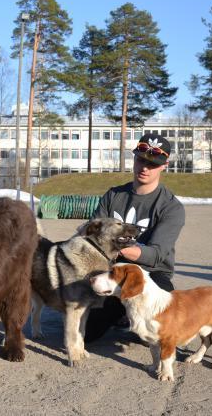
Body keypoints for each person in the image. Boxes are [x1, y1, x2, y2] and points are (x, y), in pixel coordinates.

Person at [84, 133, 185, 343]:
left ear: (164, 165)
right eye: (141, 160)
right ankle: (120, 312)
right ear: (134, 158)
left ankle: (126, 313)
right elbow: (91, 231)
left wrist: (114, 245)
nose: (145, 167)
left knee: (150, 334)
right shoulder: (113, 196)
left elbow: (155, 255)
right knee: (88, 333)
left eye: (153, 164)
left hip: (150, 276)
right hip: (111, 271)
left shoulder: (170, 207)